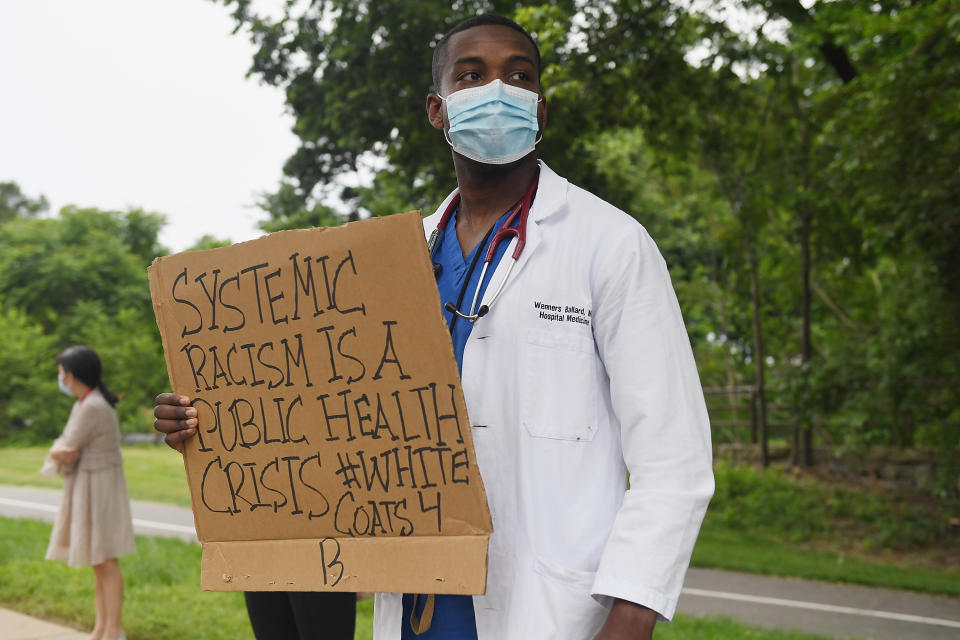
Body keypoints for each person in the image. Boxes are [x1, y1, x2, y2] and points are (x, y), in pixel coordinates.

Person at [155, 13, 713, 640]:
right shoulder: (394, 261)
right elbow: (334, 426)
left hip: (550, 608)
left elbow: (675, 460)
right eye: (471, 76)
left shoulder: (609, 244)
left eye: (518, 76)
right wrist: (220, 428)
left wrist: (631, 616)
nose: (497, 91)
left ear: (541, 109)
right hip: (419, 605)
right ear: (437, 110)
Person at [46, 345, 136, 640]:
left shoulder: (93, 407)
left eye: (61, 373)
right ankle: (102, 627)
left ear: (71, 376)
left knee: (105, 559)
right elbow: (65, 448)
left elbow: (66, 449)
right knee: (99, 560)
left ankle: (113, 630)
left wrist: (58, 449)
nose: (60, 378)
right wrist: (60, 449)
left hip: (99, 488)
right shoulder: (88, 403)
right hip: (94, 485)